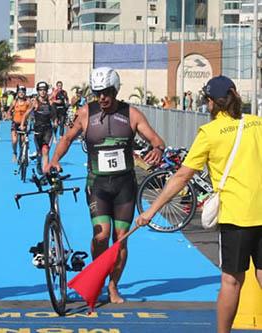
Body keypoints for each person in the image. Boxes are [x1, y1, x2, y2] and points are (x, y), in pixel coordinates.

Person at [136, 75, 262, 333]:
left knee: (231, 280)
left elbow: (182, 176)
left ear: (211, 102)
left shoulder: (210, 133)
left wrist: (151, 210)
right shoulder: (257, 123)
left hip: (237, 215)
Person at [45, 67, 165, 303]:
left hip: (124, 186)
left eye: (107, 92)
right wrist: (54, 160)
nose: (102, 97)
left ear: (115, 90)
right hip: (98, 184)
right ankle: (98, 275)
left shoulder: (131, 114)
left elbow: (156, 140)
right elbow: (67, 138)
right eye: (98, 92)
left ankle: (113, 286)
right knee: (102, 236)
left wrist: (158, 150)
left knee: (120, 239)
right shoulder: (85, 113)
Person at [21, 81, 56, 175]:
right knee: (39, 152)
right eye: (40, 90)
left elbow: (53, 116)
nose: (43, 92)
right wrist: (22, 124)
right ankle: (38, 162)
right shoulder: (35, 102)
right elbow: (26, 114)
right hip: (38, 130)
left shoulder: (50, 102)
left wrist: (55, 121)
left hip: (48, 130)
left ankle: (45, 173)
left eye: (44, 90)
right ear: (38, 91)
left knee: (45, 150)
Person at [8, 86, 31, 162]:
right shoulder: (15, 102)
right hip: (15, 123)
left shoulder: (27, 102)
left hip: (24, 124)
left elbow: (31, 112)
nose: (21, 94)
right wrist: (9, 115)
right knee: (14, 140)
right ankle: (14, 153)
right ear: (17, 93)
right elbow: (9, 111)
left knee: (22, 141)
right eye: (20, 92)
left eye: (23, 92)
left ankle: (22, 155)